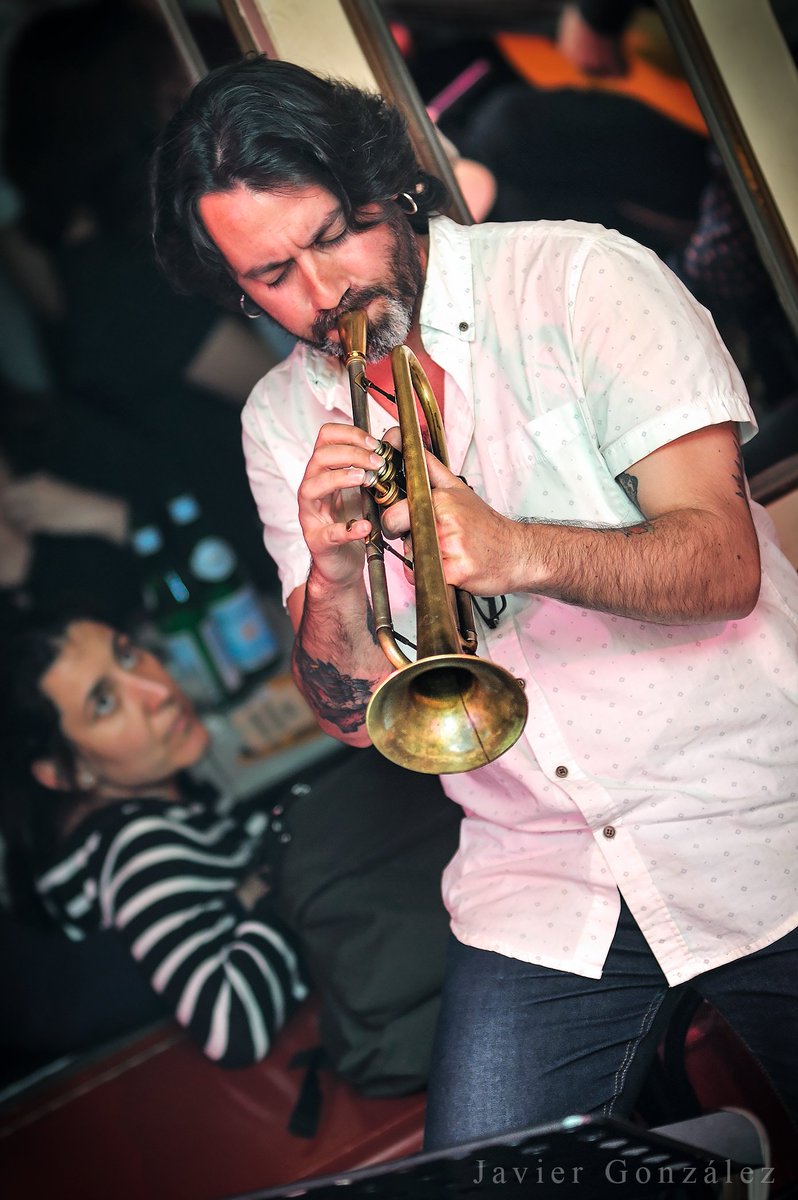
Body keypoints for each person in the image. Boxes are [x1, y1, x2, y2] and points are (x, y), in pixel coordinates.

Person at [151, 56, 798, 1148]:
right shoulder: (277, 420)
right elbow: (351, 717)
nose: (322, 296)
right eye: (269, 275)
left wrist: (519, 550)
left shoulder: (581, 283)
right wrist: (337, 574)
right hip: (539, 873)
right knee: (488, 1178)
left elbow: (723, 567)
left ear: (391, 189)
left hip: (750, 808)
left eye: (334, 234)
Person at [1, 614, 307, 1068]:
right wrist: (278, 881)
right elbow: (233, 1029)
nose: (157, 692)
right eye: (104, 703)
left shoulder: (154, 795)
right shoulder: (138, 845)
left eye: (128, 654)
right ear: (69, 773)